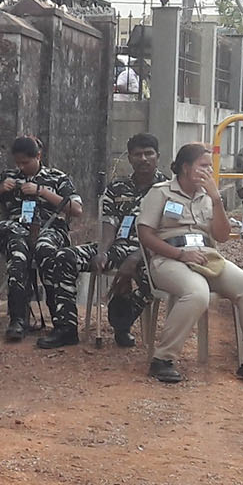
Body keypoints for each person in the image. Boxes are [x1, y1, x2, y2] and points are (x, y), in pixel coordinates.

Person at [136, 143, 243, 386]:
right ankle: (163, 359)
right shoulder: (160, 192)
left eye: (210, 166)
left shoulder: (208, 196)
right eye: (203, 165)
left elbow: (221, 236)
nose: (209, 171)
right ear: (185, 167)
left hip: (206, 255)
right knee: (197, 292)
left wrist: (217, 199)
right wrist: (180, 255)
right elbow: (145, 235)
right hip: (169, 257)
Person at [0, 135, 85, 348]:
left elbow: (76, 209)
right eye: (18, 163)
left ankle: (61, 322)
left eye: (26, 162)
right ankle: (18, 319)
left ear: (38, 156)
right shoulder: (7, 177)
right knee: (18, 254)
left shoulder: (57, 178)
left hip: (50, 229)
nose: (21, 167)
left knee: (46, 251)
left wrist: (42, 191)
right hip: (16, 230)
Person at [94, 133, 163, 348]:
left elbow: (167, 232)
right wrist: (103, 251)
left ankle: (123, 319)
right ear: (130, 158)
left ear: (157, 156)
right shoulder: (117, 188)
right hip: (117, 246)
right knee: (64, 257)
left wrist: (135, 259)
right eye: (137, 154)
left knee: (152, 276)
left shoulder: (169, 188)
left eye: (148, 153)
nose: (143, 159)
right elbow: (109, 224)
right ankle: (64, 328)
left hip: (151, 251)